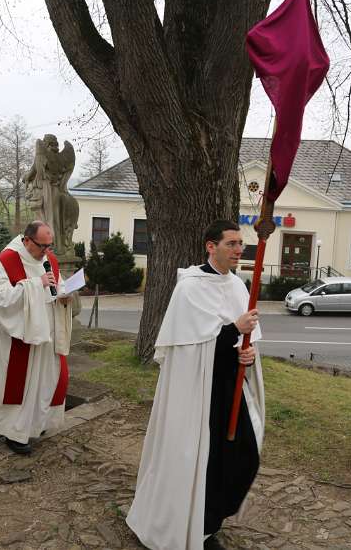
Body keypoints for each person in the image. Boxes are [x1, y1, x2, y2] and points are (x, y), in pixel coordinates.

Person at [126, 220, 265, 550]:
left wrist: (248, 354)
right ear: (210, 246)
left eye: (240, 243)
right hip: (197, 392)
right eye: (231, 243)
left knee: (244, 456)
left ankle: (211, 518)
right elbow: (190, 348)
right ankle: (199, 527)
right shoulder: (189, 288)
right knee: (200, 460)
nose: (238, 249)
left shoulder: (238, 287)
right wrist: (234, 329)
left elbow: (243, 342)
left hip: (230, 388)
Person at [0, 221, 73, 455]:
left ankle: (39, 423)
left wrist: (65, 297)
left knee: (45, 380)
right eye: (42, 246)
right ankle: (14, 432)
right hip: (17, 338)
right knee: (21, 383)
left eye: (50, 246)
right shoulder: (7, 260)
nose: (47, 251)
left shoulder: (49, 260)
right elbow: (1, 300)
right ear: (27, 240)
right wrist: (36, 285)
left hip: (45, 335)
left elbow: (59, 288)